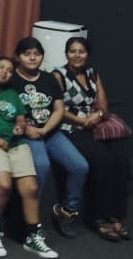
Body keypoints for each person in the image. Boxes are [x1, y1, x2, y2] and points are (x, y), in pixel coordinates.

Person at [0, 56, 59, 259]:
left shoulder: (12, 94)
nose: (5, 72)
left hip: (15, 143)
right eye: (1, 67)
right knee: (3, 184)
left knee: (30, 188)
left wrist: (20, 127)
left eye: (9, 70)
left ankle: (33, 235)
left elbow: (21, 119)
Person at [11, 37, 89, 239]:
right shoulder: (11, 80)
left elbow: (59, 109)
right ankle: (31, 221)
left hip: (50, 132)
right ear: (17, 57)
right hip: (27, 134)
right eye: (27, 54)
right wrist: (27, 129)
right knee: (42, 166)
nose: (32, 58)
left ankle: (67, 212)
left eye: (37, 54)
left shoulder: (48, 78)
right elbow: (7, 111)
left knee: (80, 166)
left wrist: (45, 129)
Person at [56, 37, 131, 242]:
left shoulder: (92, 73)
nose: (77, 55)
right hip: (69, 127)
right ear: (66, 53)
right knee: (103, 160)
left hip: (94, 124)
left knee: (122, 161)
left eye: (81, 51)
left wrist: (97, 116)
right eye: (72, 51)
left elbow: (103, 104)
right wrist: (82, 120)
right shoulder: (59, 75)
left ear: (87, 54)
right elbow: (58, 109)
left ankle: (116, 215)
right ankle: (98, 217)